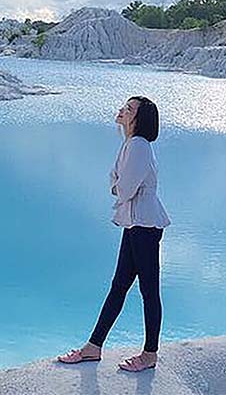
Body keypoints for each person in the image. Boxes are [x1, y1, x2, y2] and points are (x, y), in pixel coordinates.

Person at [56, 95, 171, 373]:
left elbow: (124, 189)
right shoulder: (130, 144)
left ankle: (149, 354)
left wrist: (118, 186)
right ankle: (94, 347)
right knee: (119, 286)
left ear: (138, 119)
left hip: (144, 226)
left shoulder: (139, 146)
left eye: (129, 109)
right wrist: (118, 186)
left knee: (148, 290)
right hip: (136, 225)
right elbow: (115, 182)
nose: (122, 110)